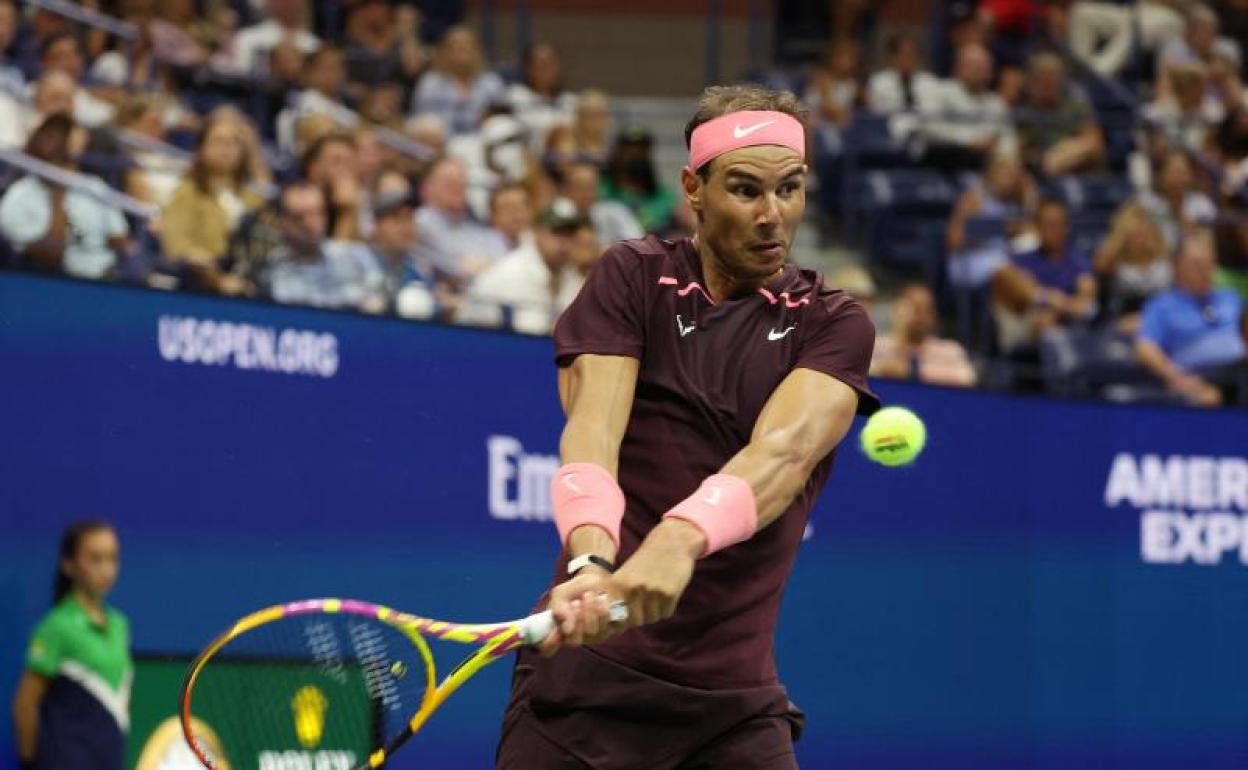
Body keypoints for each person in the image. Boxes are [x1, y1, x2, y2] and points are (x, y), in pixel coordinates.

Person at [495, 84, 878, 769]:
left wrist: (679, 539)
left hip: (730, 714)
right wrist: (590, 558)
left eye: (790, 189)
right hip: (582, 698)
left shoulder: (833, 322)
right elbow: (592, 432)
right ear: (693, 188)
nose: (772, 216)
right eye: (745, 190)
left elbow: (784, 455)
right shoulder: (633, 278)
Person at [11, 520, 131, 770]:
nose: (106, 569)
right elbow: (25, 704)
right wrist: (31, 762)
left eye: (112, 558)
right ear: (69, 565)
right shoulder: (56, 627)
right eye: (95, 559)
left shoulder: (120, 625)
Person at [0, 114, 129, 280]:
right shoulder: (18, 197)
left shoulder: (94, 187)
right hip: (57, 284)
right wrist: (58, 195)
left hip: (107, 279)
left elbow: (121, 240)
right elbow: (49, 258)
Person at [161, 109, 266, 294]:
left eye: (234, 143)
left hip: (250, 280)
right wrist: (216, 277)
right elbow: (177, 246)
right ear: (201, 149)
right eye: (218, 141)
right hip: (201, 282)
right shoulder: (187, 192)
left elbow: (266, 243)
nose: (226, 149)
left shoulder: (254, 198)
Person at [1136, 229, 1246, 406]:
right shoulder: (1161, 306)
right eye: (1197, 264)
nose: (1205, 270)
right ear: (1177, 266)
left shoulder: (1231, 299)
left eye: (1209, 263)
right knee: (1210, 398)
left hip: (1240, 372)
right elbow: (1146, 348)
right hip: (1201, 377)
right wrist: (1176, 377)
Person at [456, 197, 588, 334]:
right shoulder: (507, 274)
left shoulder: (575, 279)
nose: (564, 242)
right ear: (536, 232)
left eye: (570, 234)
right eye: (557, 233)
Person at [263, 180, 387, 312]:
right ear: (282, 221)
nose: (310, 224)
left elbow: (381, 294)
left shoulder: (355, 256)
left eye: (318, 213)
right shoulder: (269, 270)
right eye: (299, 217)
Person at [992, 198, 1098, 351]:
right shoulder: (1022, 258)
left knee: (1050, 321)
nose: (1054, 230)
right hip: (1029, 317)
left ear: (1067, 227)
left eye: (1059, 224)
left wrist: (1059, 307)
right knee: (1005, 275)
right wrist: (1049, 298)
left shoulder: (1078, 262)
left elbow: (1087, 294)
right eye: (1049, 224)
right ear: (1037, 227)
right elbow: (1015, 284)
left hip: (1067, 320)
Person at [918, 43, 1016, 171]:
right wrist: (970, 141)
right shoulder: (940, 91)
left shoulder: (996, 102)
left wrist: (1005, 154)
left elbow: (1008, 138)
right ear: (958, 67)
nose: (979, 72)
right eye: (973, 66)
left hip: (989, 165)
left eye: (984, 68)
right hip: (946, 161)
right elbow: (929, 128)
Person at [413, 155, 508, 283]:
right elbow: (445, 267)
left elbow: (504, 262)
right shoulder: (420, 222)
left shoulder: (475, 225)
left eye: (462, 183)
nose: (458, 189)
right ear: (426, 188)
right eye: (449, 183)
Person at [1013, 53, 1105, 178]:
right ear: (1032, 83)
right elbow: (1020, 151)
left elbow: (1095, 143)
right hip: (1040, 169)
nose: (1048, 87)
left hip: (1073, 161)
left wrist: (1064, 151)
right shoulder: (1024, 112)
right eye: (1043, 82)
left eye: (1053, 81)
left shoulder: (1074, 105)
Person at [872, 283, 978, 386]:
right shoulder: (877, 346)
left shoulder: (950, 350)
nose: (922, 317)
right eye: (916, 310)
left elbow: (967, 379)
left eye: (928, 310)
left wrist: (914, 371)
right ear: (899, 310)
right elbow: (862, 372)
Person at [409, 25, 504, 135]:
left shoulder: (490, 82)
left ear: (477, 51)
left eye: (468, 47)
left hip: (482, 140)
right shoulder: (431, 82)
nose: (463, 51)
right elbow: (421, 118)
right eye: (456, 47)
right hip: (441, 142)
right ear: (444, 51)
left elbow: (501, 115)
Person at [560, 159, 644, 245]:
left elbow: (639, 245)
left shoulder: (615, 212)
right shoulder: (559, 214)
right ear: (566, 190)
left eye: (590, 187)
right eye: (579, 187)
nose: (585, 193)